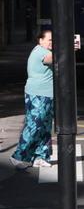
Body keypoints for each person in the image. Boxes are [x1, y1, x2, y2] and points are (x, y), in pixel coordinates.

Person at [12, 29, 55, 169]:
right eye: (49, 40)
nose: (51, 43)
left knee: (45, 127)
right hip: (38, 94)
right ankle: (18, 156)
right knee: (34, 126)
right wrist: (68, 48)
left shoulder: (45, 50)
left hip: (47, 95)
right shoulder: (40, 52)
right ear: (40, 40)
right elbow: (52, 58)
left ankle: (40, 156)